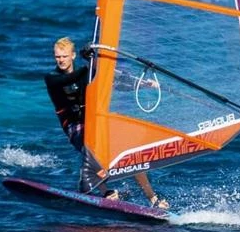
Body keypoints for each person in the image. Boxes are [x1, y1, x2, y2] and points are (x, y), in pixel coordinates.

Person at [44, 37, 169, 209]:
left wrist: (143, 84)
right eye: (57, 57)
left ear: (72, 56)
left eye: (64, 56)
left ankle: (153, 198)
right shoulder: (52, 78)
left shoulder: (86, 74)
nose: (61, 60)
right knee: (91, 148)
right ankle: (106, 193)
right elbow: (69, 79)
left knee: (128, 150)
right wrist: (93, 63)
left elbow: (115, 82)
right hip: (75, 126)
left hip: (96, 122)